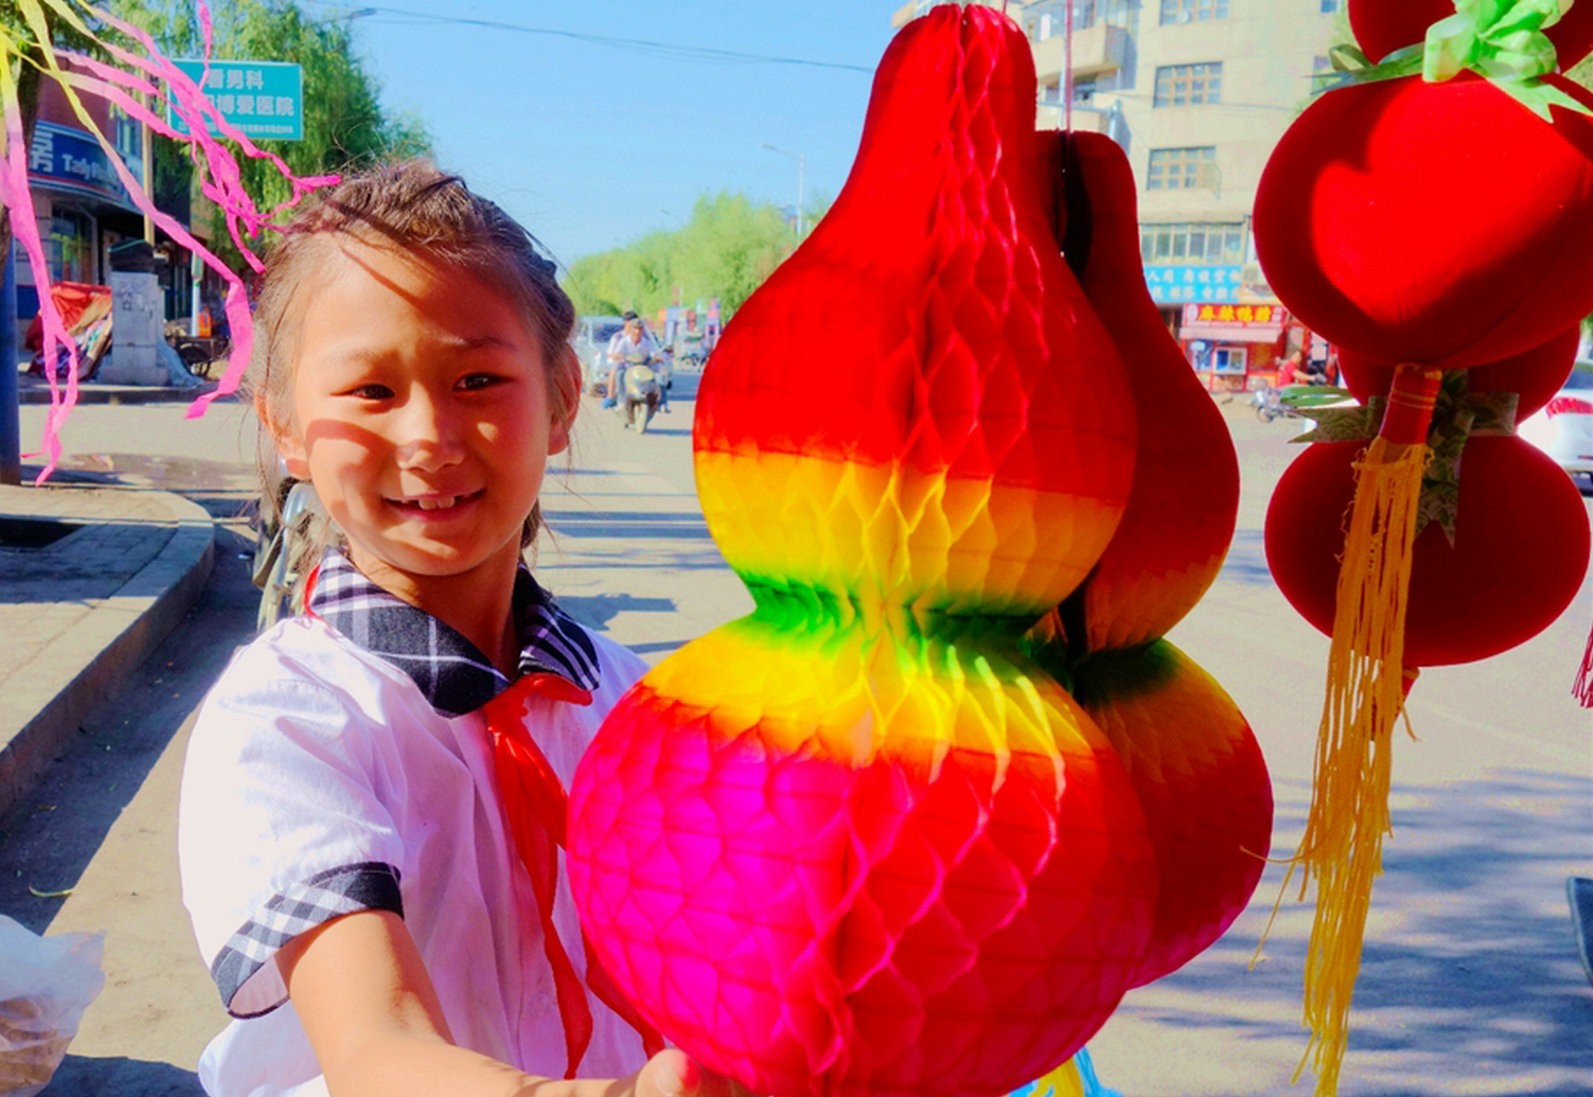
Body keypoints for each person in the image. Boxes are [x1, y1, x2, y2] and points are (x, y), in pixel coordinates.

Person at [177, 161, 733, 1097]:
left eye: (479, 377)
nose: (431, 434)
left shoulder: (644, 705)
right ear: (283, 423)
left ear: (560, 397)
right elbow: (377, 1048)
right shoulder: (283, 724)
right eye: (369, 391)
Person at [602, 309, 661, 410]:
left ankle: (658, 401)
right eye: (630, 322)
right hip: (625, 363)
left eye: (639, 328)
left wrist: (657, 357)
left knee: (659, 374)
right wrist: (619, 357)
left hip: (641, 363)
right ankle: (611, 397)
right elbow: (612, 353)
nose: (637, 331)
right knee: (617, 371)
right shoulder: (619, 338)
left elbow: (653, 351)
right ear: (626, 322)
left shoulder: (645, 338)